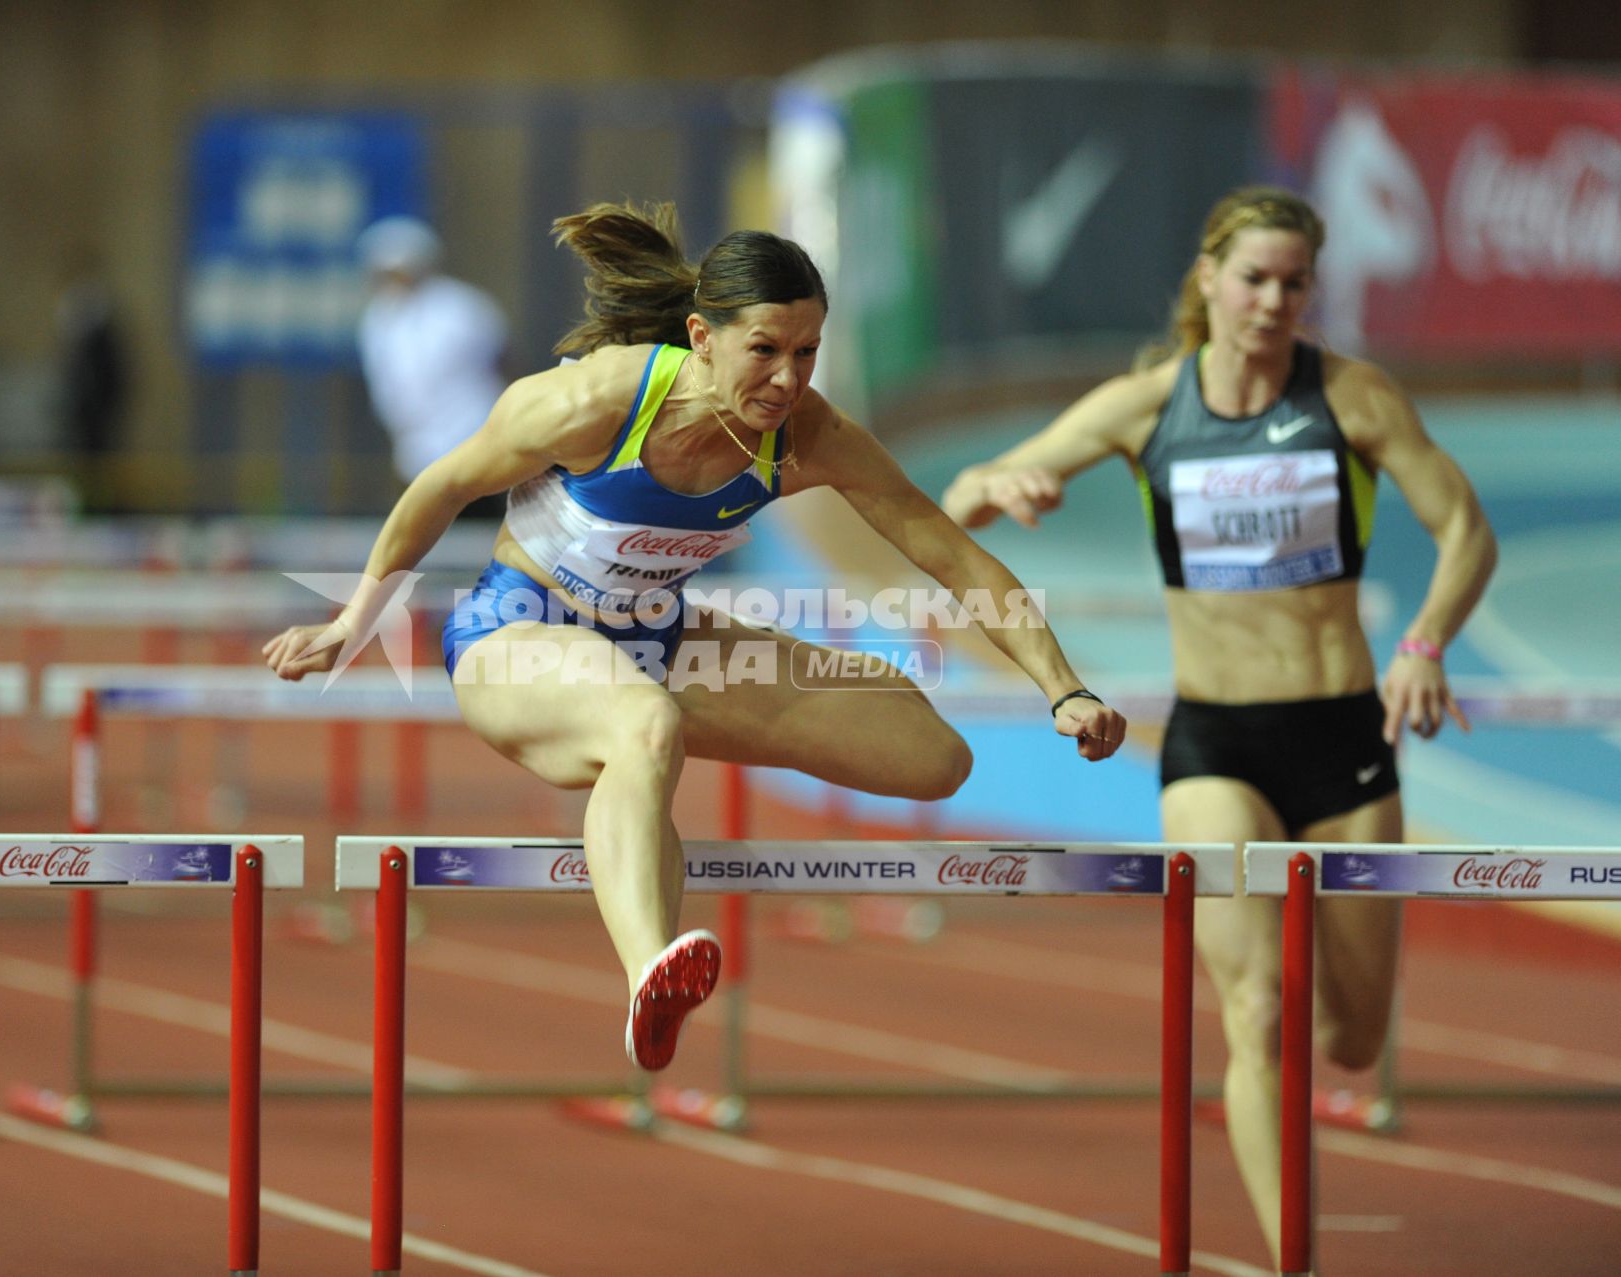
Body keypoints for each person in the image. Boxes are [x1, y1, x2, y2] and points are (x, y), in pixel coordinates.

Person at [268, 201, 1127, 1072]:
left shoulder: (808, 435)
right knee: (645, 725)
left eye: (807, 352)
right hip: (517, 631)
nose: (788, 382)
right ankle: (650, 972)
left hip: (657, 635)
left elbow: (956, 556)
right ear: (701, 337)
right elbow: (440, 487)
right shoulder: (594, 400)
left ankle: (639, 760)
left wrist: (1066, 687)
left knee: (930, 755)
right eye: (765, 350)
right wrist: (354, 619)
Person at [940, 185, 1496, 1264]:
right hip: (1214, 746)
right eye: (1254, 278)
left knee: (1348, 1033)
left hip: (1343, 745)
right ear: (1210, 281)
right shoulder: (1149, 404)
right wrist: (995, 480)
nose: (1273, 301)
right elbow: (956, 501)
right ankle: (1297, 1254)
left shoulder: (1352, 396)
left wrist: (1425, 641)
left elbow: (1466, 528)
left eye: (1294, 283)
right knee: (1253, 1009)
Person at [355, 215, 510, 517]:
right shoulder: (377, 318)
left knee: (477, 525)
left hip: (473, 441)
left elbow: (504, 361)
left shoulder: (462, 307)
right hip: (415, 450)